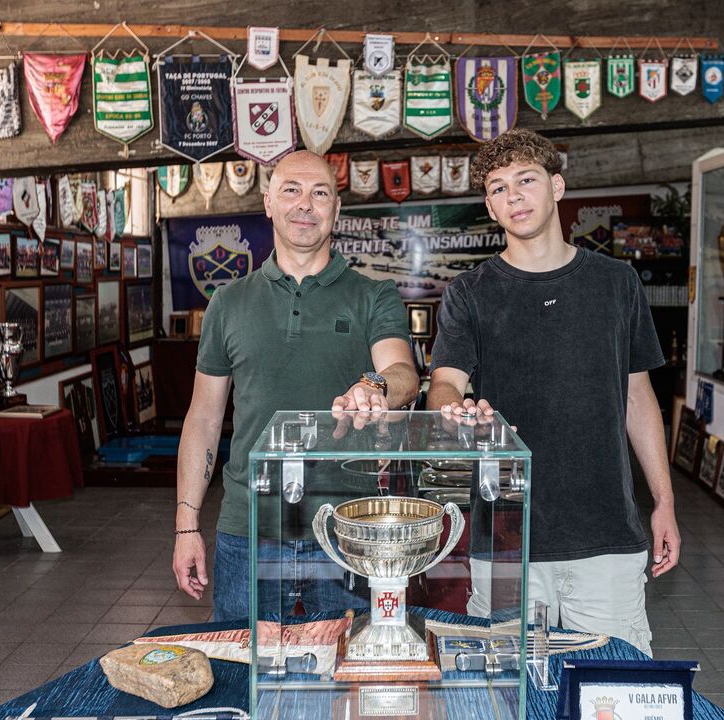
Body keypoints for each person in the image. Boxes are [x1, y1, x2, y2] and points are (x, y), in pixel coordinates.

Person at [427, 129, 680, 656]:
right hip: (504, 537)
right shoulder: (468, 294)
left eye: (525, 180)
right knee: (504, 692)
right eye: (497, 188)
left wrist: (664, 501)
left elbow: (638, 397)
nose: (513, 196)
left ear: (557, 187)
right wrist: (454, 411)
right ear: (490, 208)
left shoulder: (617, 283)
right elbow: (444, 382)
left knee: (611, 690)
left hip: (606, 534)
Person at [172, 150, 419, 621]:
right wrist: (187, 525)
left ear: (336, 210)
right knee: (244, 676)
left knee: (346, 680)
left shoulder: (374, 295)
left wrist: (374, 385)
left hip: (348, 528)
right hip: (247, 530)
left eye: (320, 193)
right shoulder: (227, 302)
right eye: (291, 190)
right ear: (267, 202)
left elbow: (403, 375)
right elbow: (203, 419)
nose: (305, 204)